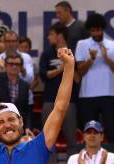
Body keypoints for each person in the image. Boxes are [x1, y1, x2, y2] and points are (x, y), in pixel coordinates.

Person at [75, 13, 114, 143]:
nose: (96, 33)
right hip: (87, 96)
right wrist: (91, 59)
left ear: (103, 29)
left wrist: (107, 58)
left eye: (98, 30)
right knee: (89, 133)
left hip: (108, 94)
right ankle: (88, 162)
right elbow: (80, 71)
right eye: (93, 30)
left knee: (111, 132)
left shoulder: (113, 45)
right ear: (89, 30)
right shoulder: (82, 44)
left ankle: (113, 161)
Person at [40, 22, 78, 154]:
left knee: (71, 138)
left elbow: (78, 79)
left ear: (60, 36)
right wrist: (62, 68)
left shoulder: (72, 53)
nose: (48, 37)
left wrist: (70, 65)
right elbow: (43, 75)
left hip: (69, 101)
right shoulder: (47, 53)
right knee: (47, 138)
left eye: (51, 34)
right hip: (49, 99)